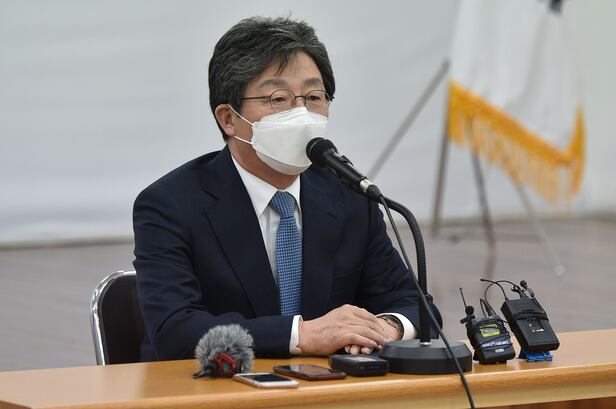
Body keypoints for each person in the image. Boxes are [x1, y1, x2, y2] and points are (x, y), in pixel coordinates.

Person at [133, 16, 441, 361]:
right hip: (209, 383)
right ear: (229, 118)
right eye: (278, 98)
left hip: (326, 385)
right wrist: (301, 335)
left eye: (314, 97)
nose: (301, 114)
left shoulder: (350, 195)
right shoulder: (170, 204)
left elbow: (414, 305)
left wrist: (385, 328)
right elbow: (174, 331)